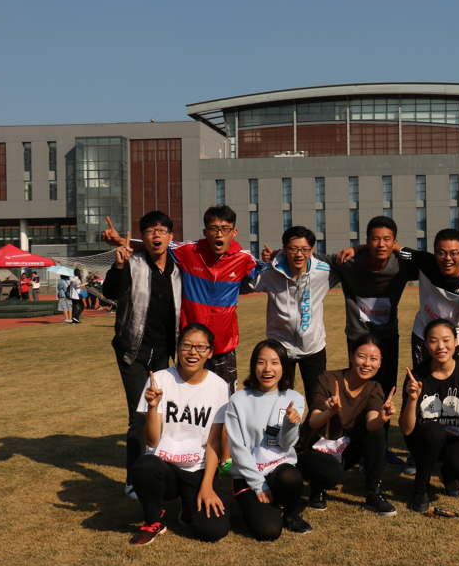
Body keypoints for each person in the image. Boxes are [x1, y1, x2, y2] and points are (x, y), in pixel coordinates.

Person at [104, 205, 264, 472]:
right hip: (181, 349)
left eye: (225, 229)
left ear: (234, 232)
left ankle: (223, 459)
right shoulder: (187, 252)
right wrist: (120, 242)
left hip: (219, 347)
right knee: (170, 409)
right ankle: (163, 464)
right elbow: (154, 246)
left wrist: (272, 257)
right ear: (205, 231)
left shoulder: (242, 258)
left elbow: (266, 271)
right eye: (213, 228)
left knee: (226, 407)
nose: (219, 234)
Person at [103, 211, 183, 500]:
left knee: (158, 414)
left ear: (171, 237)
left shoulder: (179, 269)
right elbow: (110, 291)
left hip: (164, 355)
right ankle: (134, 480)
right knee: (139, 415)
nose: (156, 235)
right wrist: (118, 265)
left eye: (162, 230)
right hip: (133, 351)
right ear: (143, 237)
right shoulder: (132, 264)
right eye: (150, 231)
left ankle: (158, 469)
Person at [129, 323, 230, 546]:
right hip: (164, 466)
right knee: (144, 467)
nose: (193, 352)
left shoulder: (220, 387)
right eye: (186, 345)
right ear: (178, 348)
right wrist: (153, 407)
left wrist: (207, 485)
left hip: (197, 467)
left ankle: (188, 502)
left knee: (213, 531)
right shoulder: (160, 379)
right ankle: (154, 520)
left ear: (210, 352)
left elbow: (214, 441)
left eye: (201, 347)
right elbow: (151, 440)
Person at [332, 216, 419, 467]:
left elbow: (428, 261)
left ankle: (382, 445)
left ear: (395, 241)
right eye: (375, 239)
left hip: (388, 337)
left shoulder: (400, 266)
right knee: (357, 390)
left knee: (385, 390)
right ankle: (354, 445)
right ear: (367, 240)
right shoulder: (349, 262)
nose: (381, 244)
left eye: (387, 239)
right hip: (357, 338)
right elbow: (311, 258)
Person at [401, 229, 459, 474]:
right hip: (424, 336)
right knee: (422, 391)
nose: (447, 258)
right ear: (434, 252)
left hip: (456, 342)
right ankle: (417, 451)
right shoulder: (425, 261)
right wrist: (357, 248)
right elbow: (394, 247)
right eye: (441, 253)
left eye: (454, 253)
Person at [295, 334, 398, 517]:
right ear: (351, 356)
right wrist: (329, 412)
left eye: (373, 359)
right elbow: (313, 420)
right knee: (331, 473)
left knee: (377, 432)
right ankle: (317, 486)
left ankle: (374, 493)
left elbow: (371, 424)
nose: (367, 363)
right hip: (312, 450)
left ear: (380, 363)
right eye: (361, 356)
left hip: (342, 451)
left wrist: (381, 419)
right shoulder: (328, 379)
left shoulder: (375, 388)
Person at [244, 226, 340, 409]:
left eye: (304, 249)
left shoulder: (324, 271)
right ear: (284, 249)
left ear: (311, 251)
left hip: (313, 348)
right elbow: (240, 284)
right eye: (293, 249)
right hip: (280, 349)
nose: (299, 254)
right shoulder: (269, 272)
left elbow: (351, 268)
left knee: (318, 401)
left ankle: (312, 429)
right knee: (278, 400)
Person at [225, 340, 311, 539]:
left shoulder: (294, 399)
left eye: (274, 362)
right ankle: (255, 509)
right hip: (248, 476)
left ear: (284, 367)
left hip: (278, 470)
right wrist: (259, 485)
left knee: (291, 476)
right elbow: (237, 448)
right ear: (253, 366)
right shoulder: (238, 400)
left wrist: (289, 424)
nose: (267, 369)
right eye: (261, 362)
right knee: (269, 531)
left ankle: (290, 514)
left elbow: (286, 444)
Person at [400, 319, 459, 512]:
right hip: (423, 440)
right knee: (434, 431)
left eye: (446, 340)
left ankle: (448, 475)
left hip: (456, 438)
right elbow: (406, 429)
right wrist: (412, 399)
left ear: (456, 342)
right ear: (425, 344)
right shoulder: (416, 376)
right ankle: (420, 488)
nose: (440, 346)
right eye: (433, 341)